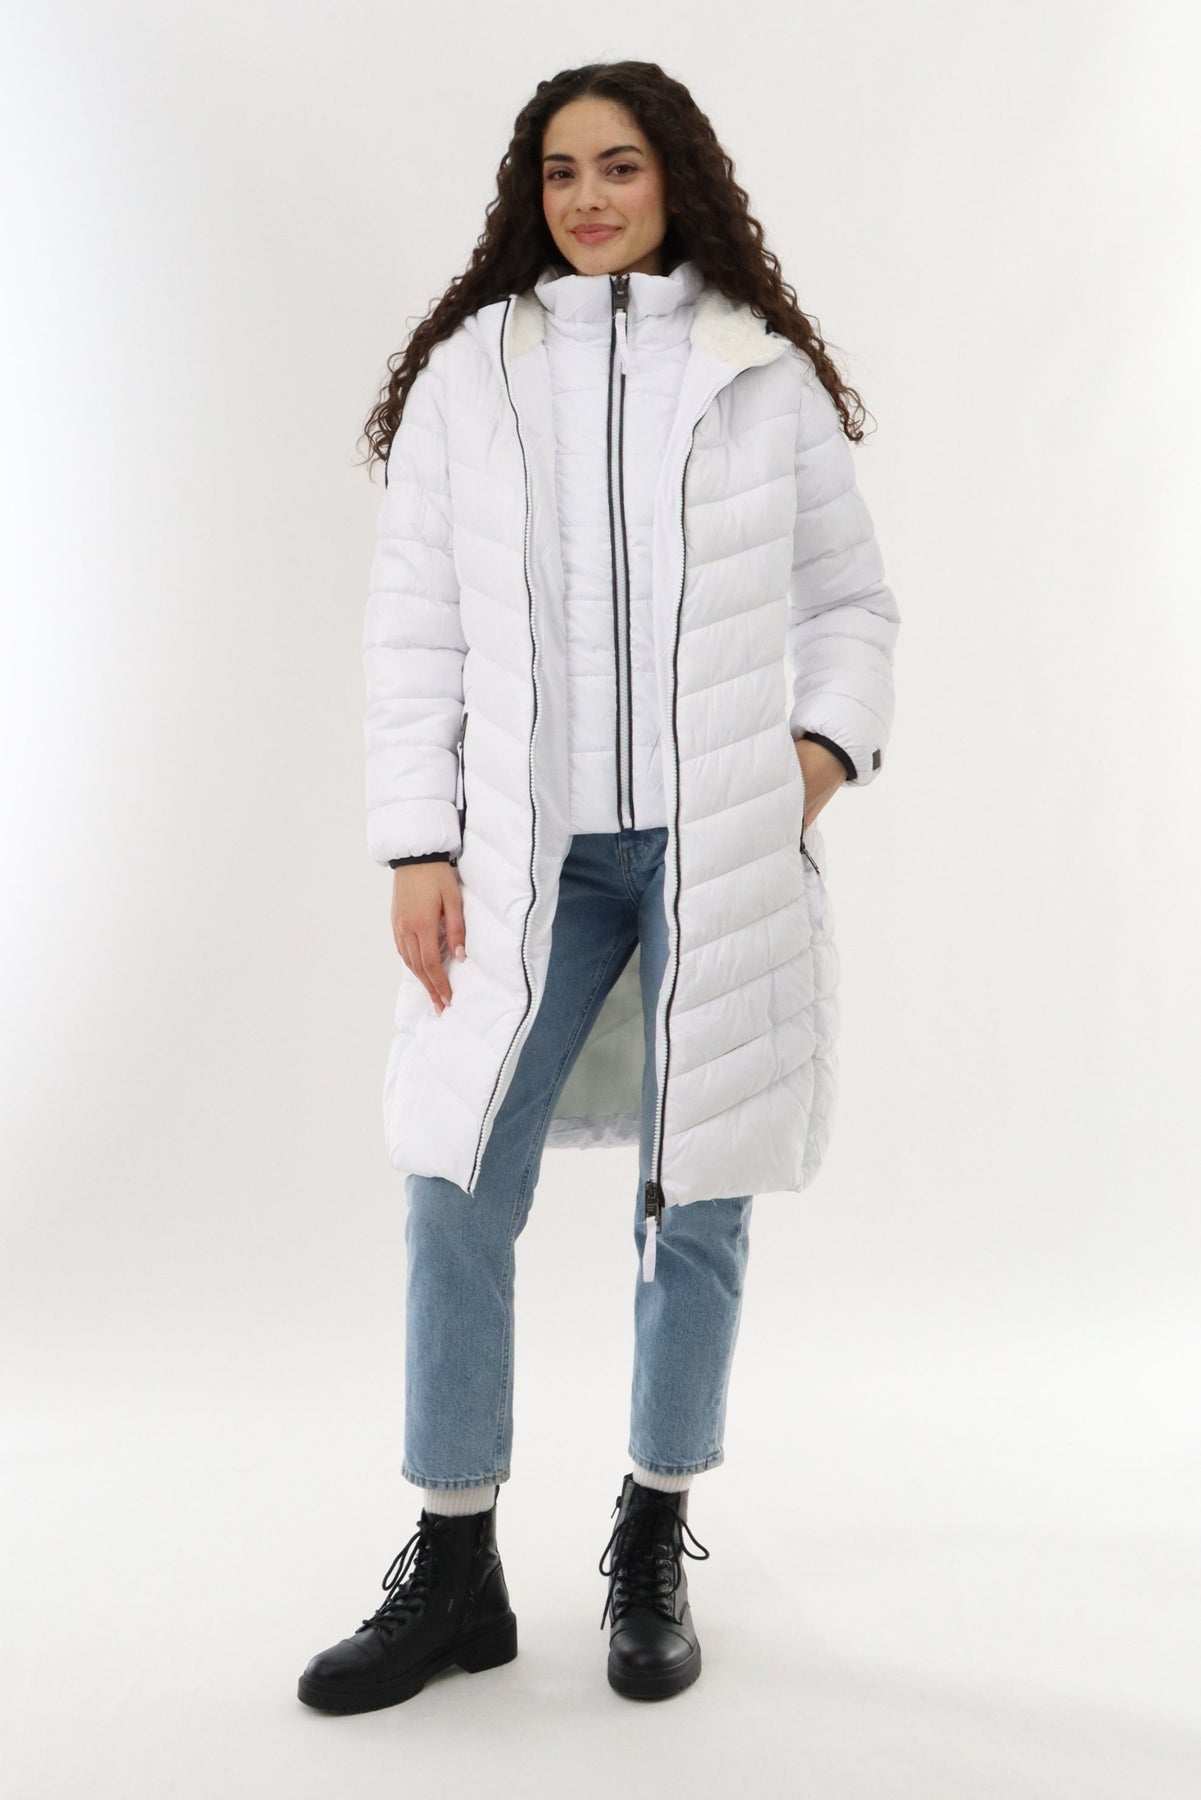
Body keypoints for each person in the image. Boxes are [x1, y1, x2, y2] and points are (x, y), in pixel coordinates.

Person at [298, 58, 900, 1714]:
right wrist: (418, 841)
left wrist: (810, 763)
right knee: (453, 1182)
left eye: (618, 166)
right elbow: (414, 626)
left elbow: (851, 606)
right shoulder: (472, 378)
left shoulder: (757, 374)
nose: (587, 198)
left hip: (716, 852)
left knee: (693, 1196)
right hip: (527, 858)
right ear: (529, 192)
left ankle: (651, 1536)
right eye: (561, 170)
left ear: (673, 179)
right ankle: (456, 1567)